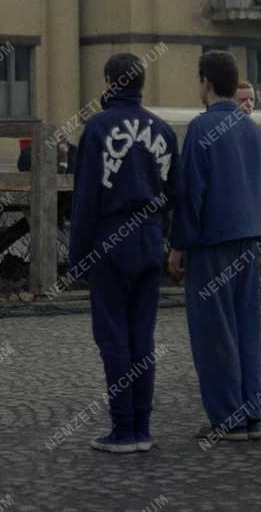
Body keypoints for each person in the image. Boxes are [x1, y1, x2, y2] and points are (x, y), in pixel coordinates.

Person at [70, 52, 180, 453]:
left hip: (110, 239)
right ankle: (143, 426)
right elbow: (173, 193)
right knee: (142, 336)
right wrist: (165, 237)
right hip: (149, 238)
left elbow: (85, 198)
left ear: (109, 81)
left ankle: (123, 427)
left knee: (113, 336)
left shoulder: (97, 129)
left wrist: (77, 255)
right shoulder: (164, 130)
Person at [169, 50, 261, 442]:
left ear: (205, 82)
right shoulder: (253, 131)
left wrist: (179, 244)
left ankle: (226, 416)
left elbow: (191, 193)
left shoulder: (200, 129)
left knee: (214, 333)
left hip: (213, 243)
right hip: (249, 238)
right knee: (247, 329)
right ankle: (251, 408)